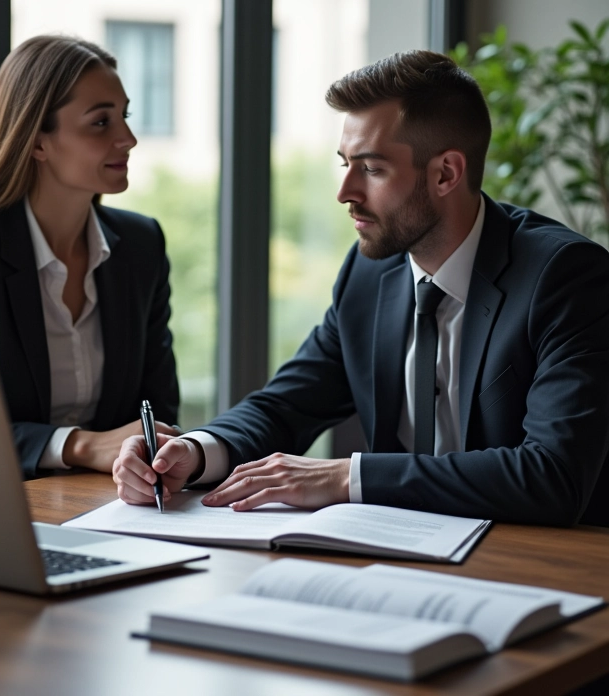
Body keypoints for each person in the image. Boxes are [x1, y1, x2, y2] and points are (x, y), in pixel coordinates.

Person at [113, 49, 609, 527]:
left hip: (540, 566)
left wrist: (345, 476)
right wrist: (196, 452)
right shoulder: (371, 273)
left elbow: (553, 476)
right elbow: (288, 404)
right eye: (344, 163)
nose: (345, 192)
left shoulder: (566, 277)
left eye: (371, 169)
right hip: (397, 554)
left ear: (446, 173)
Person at [0, 35, 180, 479]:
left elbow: (157, 408)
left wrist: (153, 459)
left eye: (124, 117)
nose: (127, 138)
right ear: (37, 142)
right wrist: (81, 445)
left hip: (114, 508)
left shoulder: (140, 245)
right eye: (100, 122)